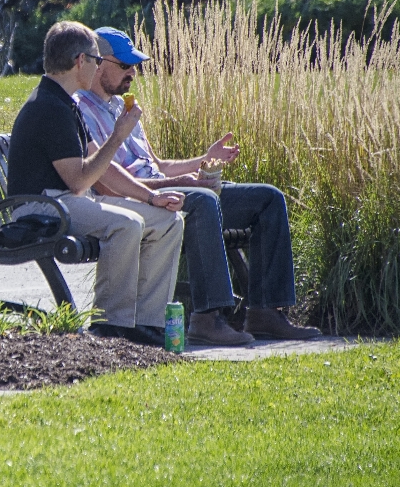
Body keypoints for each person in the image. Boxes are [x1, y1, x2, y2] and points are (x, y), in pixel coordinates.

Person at [75, 27, 322, 344]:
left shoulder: (122, 106)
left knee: (267, 199)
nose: (132, 73)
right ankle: (206, 318)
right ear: (97, 63)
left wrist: (202, 160)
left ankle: (265, 313)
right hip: (138, 199)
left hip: (168, 188)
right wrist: (182, 182)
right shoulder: (79, 109)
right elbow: (107, 180)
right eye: (124, 65)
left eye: (134, 65)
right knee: (203, 201)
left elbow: (158, 164)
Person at [7, 21, 186, 346]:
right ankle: (110, 327)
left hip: (65, 201)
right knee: (126, 224)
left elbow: (100, 169)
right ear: (80, 61)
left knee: (168, 221)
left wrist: (150, 198)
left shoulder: (66, 103)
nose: (98, 65)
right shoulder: (49, 107)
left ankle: (147, 325)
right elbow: (79, 181)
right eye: (95, 58)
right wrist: (118, 136)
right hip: (42, 206)